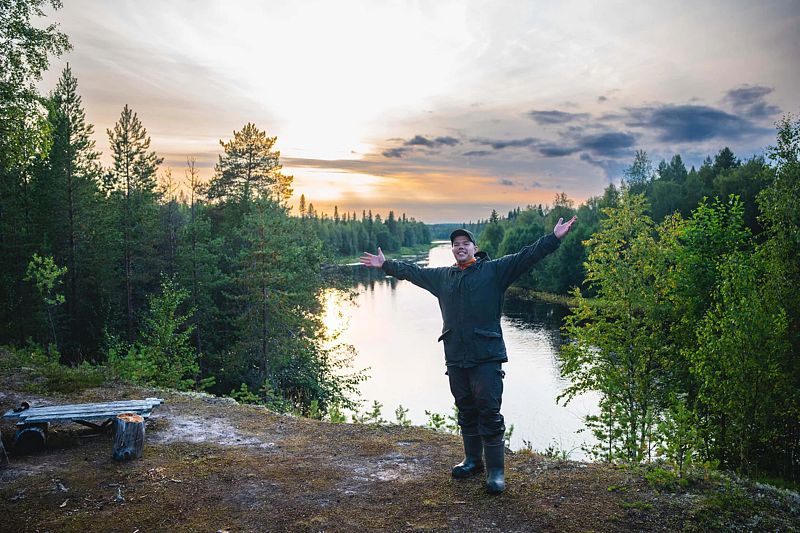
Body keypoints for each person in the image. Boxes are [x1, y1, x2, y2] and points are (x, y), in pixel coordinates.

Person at [359, 215, 576, 493]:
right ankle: (473, 460)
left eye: (465, 243)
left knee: (489, 410)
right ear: (452, 250)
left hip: (486, 356)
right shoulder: (443, 277)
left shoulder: (495, 271)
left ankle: (496, 472)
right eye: (456, 244)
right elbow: (413, 272)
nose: (460, 247)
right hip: (456, 356)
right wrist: (386, 264)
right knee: (466, 409)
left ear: (475, 247)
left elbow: (527, 256)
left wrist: (553, 238)